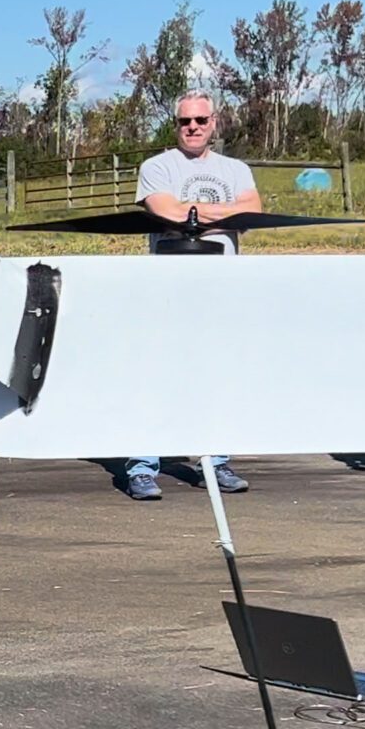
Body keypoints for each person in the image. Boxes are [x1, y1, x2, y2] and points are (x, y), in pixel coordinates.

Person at [119, 93, 262, 501]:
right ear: (176, 125)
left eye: (201, 120)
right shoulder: (157, 167)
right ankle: (143, 467)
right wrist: (221, 211)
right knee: (156, 375)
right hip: (169, 290)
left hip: (221, 290)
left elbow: (251, 209)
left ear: (214, 122)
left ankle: (215, 462)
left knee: (218, 375)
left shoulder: (235, 169)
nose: (193, 127)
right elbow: (167, 211)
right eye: (185, 121)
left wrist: (194, 209)